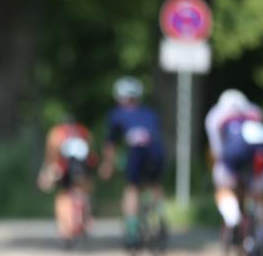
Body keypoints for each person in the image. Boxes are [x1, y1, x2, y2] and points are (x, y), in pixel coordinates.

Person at [99, 76, 166, 247]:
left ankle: (132, 230)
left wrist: (108, 165)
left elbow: (111, 144)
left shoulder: (117, 114)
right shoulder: (149, 112)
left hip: (136, 152)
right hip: (156, 151)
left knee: (132, 188)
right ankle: (159, 215)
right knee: (154, 183)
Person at [204, 89, 263, 244]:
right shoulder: (255, 111)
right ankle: (262, 235)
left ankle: (233, 218)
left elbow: (217, 150)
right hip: (261, 155)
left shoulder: (216, 115)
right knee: (259, 196)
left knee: (223, 188)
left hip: (234, 155)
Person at [37, 117, 96, 246]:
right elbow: (91, 153)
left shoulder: (56, 132)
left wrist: (46, 172)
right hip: (82, 167)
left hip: (64, 166)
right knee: (83, 191)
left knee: (63, 194)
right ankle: (86, 218)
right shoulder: (84, 131)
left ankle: (64, 229)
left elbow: (51, 155)